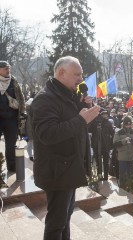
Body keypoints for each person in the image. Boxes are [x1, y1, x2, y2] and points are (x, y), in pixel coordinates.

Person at [31, 56, 100, 239]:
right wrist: (81, 119)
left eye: (81, 75)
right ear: (61, 73)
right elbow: (48, 134)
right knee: (56, 223)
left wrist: (83, 108)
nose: (80, 79)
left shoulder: (67, 96)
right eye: (77, 74)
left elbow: (75, 125)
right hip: (57, 171)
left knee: (65, 218)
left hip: (68, 168)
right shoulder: (45, 99)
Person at [0, 61, 25, 172]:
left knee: (11, 145)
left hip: (11, 119)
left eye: (9, 68)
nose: (8, 70)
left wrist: (22, 111)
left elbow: (21, 98)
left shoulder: (13, 81)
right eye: (5, 68)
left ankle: (12, 167)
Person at [113, 116, 133, 187]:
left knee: (130, 173)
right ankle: (122, 187)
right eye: (126, 124)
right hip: (122, 156)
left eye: (129, 124)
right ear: (124, 124)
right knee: (122, 173)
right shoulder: (119, 132)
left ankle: (130, 186)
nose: (128, 126)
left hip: (132, 156)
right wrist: (124, 141)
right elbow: (115, 143)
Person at [88, 109, 115, 180]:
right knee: (98, 161)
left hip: (106, 146)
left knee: (106, 162)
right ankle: (99, 175)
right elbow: (89, 129)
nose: (105, 116)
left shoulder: (108, 123)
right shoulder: (95, 122)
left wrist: (111, 145)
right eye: (103, 115)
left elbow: (113, 133)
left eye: (106, 114)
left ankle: (105, 176)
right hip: (96, 145)